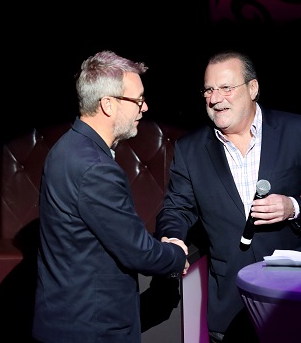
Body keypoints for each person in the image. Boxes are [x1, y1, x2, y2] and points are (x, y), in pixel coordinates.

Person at [155, 50, 301, 343]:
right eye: (209, 89)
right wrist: (171, 236)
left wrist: (293, 206)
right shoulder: (190, 149)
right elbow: (176, 208)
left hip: (297, 295)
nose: (215, 98)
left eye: (226, 88)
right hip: (231, 304)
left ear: (252, 88)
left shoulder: (298, 131)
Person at [32, 50, 189, 343]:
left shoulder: (67, 148)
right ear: (107, 104)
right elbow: (138, 251)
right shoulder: (95, 168)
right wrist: (176, 254)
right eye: (138, 99)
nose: (144, 107)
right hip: (91, 330)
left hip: (67, 321)